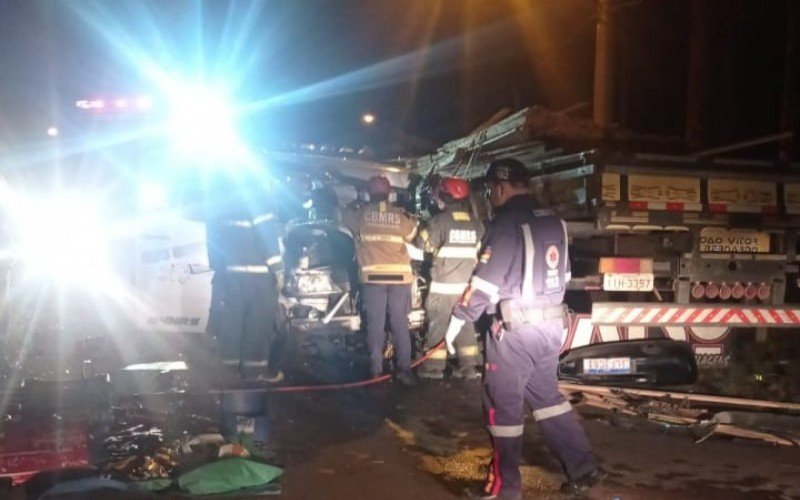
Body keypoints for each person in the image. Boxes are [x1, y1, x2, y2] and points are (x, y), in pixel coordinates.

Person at [446, 159, 604, 499]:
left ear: (501, 188)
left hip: (514, 333)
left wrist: (459, 318)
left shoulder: (506, 223)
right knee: (547, 398)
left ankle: (504, 491)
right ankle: (584, 467)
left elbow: (484, 284)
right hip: (550, 328)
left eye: (489, 190)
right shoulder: (555, 222)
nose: (489, 197)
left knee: (502, 410)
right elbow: (562, 277)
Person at [205, 173, 285, 383]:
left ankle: (229, 372)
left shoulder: (224, 206)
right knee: (257, 326)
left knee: (232, 324)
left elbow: (214, 241)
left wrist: (221, 268)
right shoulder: (259, 201)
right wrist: (278, 268)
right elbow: (266, 236)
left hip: (231, 274)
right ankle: (254, 373)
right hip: (258, 276)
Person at [343, 175, 418, 386]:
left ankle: (375, 372)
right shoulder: (399, 215)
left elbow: (343, 217)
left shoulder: (361, 215)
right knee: (400, 324)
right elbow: (413, 232)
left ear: (369, 193)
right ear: (389, 192)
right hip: (400, 278)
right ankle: (405, 371)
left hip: (373, 278)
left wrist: (357, 202)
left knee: (375, 325)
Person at [417, 177, 484, 380]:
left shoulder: (438, 222)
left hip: (442, 287)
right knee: (466, 328)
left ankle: (433, 369)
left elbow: (422, 246)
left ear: (443, 197)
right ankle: (469, 368)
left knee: (438, 326)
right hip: (465, 289)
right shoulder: (477, 224)